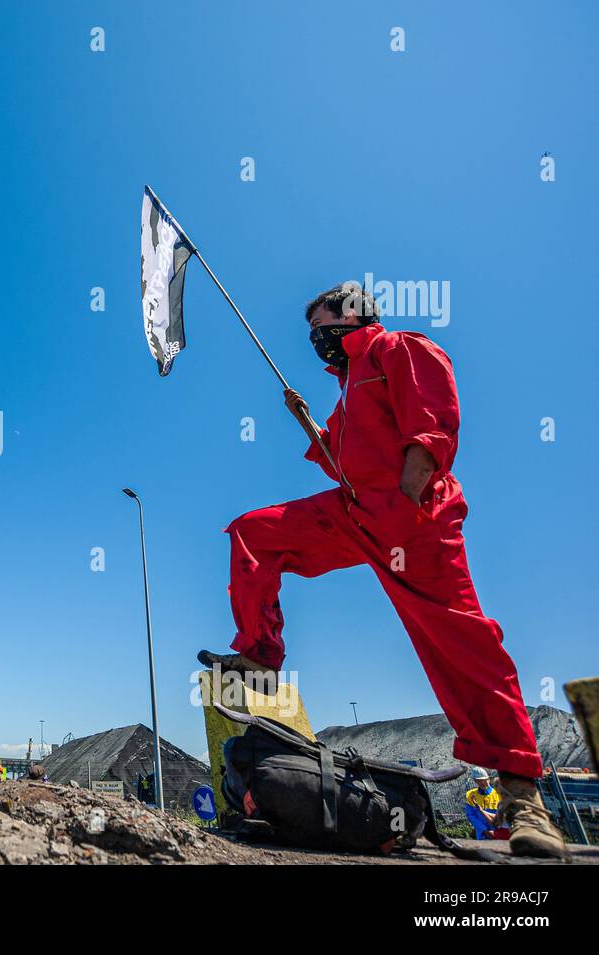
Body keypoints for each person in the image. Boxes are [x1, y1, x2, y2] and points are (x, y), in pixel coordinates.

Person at [195, 282, 566, 860]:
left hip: (417, 523)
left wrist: (409, 501)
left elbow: (433, 425)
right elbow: (346, 463)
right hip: (358, 516)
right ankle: (260, 651)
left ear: (353, 319)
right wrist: (308, 424)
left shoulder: (401, 350)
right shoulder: (348, 391)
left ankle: (525, 802)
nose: (318, 342)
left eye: (324, 329)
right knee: (254, 531)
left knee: (466, 648)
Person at [464, 767, 510, 841]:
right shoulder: (470, 795)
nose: (482, 783)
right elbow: (470, 816)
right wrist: (484, 830)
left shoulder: (498, 793)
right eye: (478, 781)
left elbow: (500, 816)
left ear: (488, 779)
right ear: (475, 781)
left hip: (497, 832)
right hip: (481, 833)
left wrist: (495, 830)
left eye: (483, 780)